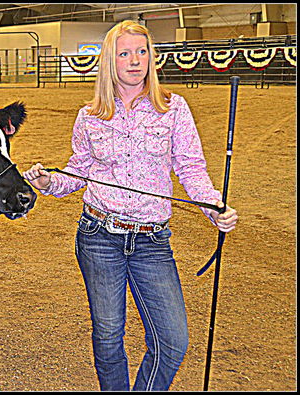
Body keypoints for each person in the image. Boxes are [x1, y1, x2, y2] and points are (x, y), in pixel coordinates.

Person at [23, 20, 238, 391]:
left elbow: (190, 167)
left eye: (142, 52)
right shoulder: (90, 115)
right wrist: (49, 183)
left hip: (152, 242)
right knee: (108, 337)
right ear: (110, 61)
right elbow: (79, 171)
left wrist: (212, 206)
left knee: (172, 341)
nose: (135, 61)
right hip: (98, 237)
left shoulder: (173, 108)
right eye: (125, 53)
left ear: (152, 59)